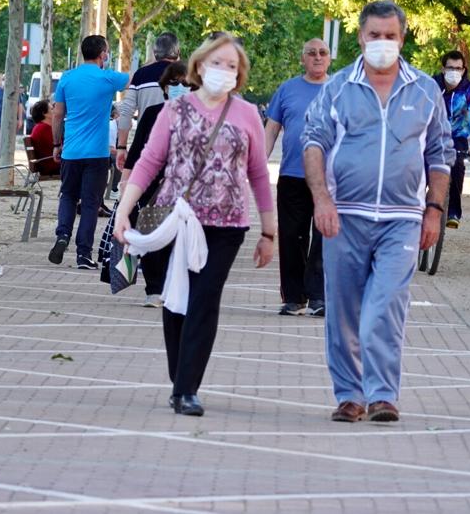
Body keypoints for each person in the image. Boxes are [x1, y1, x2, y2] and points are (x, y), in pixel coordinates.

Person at [303, 0, 454, 423]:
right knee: (343, 310)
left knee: (384, 306)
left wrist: (434, 210)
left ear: (403, 39)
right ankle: (350, 395)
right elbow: (313, 143)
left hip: (402, 219)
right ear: (361, 37)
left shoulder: (425, 90)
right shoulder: (337, 88)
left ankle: (383, 394)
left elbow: (441, 155)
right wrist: (322, 200)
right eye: (375, 36)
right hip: (344, 216)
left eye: (390, 36)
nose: (382, 43)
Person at [113, 33, 275, 417]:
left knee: (203, 299)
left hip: (227, 225)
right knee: (176, 298)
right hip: (177, 220)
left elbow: (257, 174)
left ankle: (187, 388)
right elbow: (150, 161)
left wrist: (270, 232)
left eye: (232, 66)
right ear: (199, 66)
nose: (224, 72)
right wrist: (123, 210)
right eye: (217, 63)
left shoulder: (248, 113)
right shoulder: (175, 109)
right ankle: (179, 376)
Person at [105, 62, 190, 308]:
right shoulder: (153, 113)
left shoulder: (199, 117)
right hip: (153, 186)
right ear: (164, 88)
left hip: (186, 186)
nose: (179, 88)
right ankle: (154, 288)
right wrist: (125, 184)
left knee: (180, 237)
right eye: (174, 83)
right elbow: (136, 152)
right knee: (153, 234)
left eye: (185, 84)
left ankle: (175, 286)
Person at [48, 35, 130, 269]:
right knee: (92, 204)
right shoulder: (107, 78)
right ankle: (84, 255)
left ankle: (62, 235)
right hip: (96, 154)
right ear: (103, 54)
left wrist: (56, 144)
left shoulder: (67, 77)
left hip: (71, 152)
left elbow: (57, 114)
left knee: (68, 196)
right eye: (107, 52)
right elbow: (135, 80)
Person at [264, 38, 330, 317]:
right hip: (292, 174)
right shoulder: (287, 89)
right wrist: (257, 166)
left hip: (330, 179)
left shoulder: (340, 90)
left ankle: (319, 296)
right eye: (311, 53)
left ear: (329, 58)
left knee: (325, 236)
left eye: (322, 53)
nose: (317, 57)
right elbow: (271, 130)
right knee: (291, 237)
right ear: (302, 59)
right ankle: (294, 297)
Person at [115, 32, 181, 171]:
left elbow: (126, 112)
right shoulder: (188, 76)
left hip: (147, 145)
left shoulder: (141, 75)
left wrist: (121, 147)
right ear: (178, 52)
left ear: (155, 53)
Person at [433, 51, 470, 228]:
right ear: (443, 68)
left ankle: (453, 211)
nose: (454, 71)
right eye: (450, 68)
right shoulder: (431, 85)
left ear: (463, 70)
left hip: (457, 139)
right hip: (431, 135)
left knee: (457, 169)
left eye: (458, 68)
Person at [0, 75, 25, 163]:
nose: (5, 81)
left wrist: (20, 120)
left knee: (8, 143)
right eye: (4, 79)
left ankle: (6, 161)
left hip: (10, 123)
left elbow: (19, 106)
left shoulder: (16, 92)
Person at [28, 99, 60, 176]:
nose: (55, 110)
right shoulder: (44, 129)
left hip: (48, 163)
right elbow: (60, 147)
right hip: (52, 166)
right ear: (44, 113)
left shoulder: (40, 127)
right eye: (52, 109)